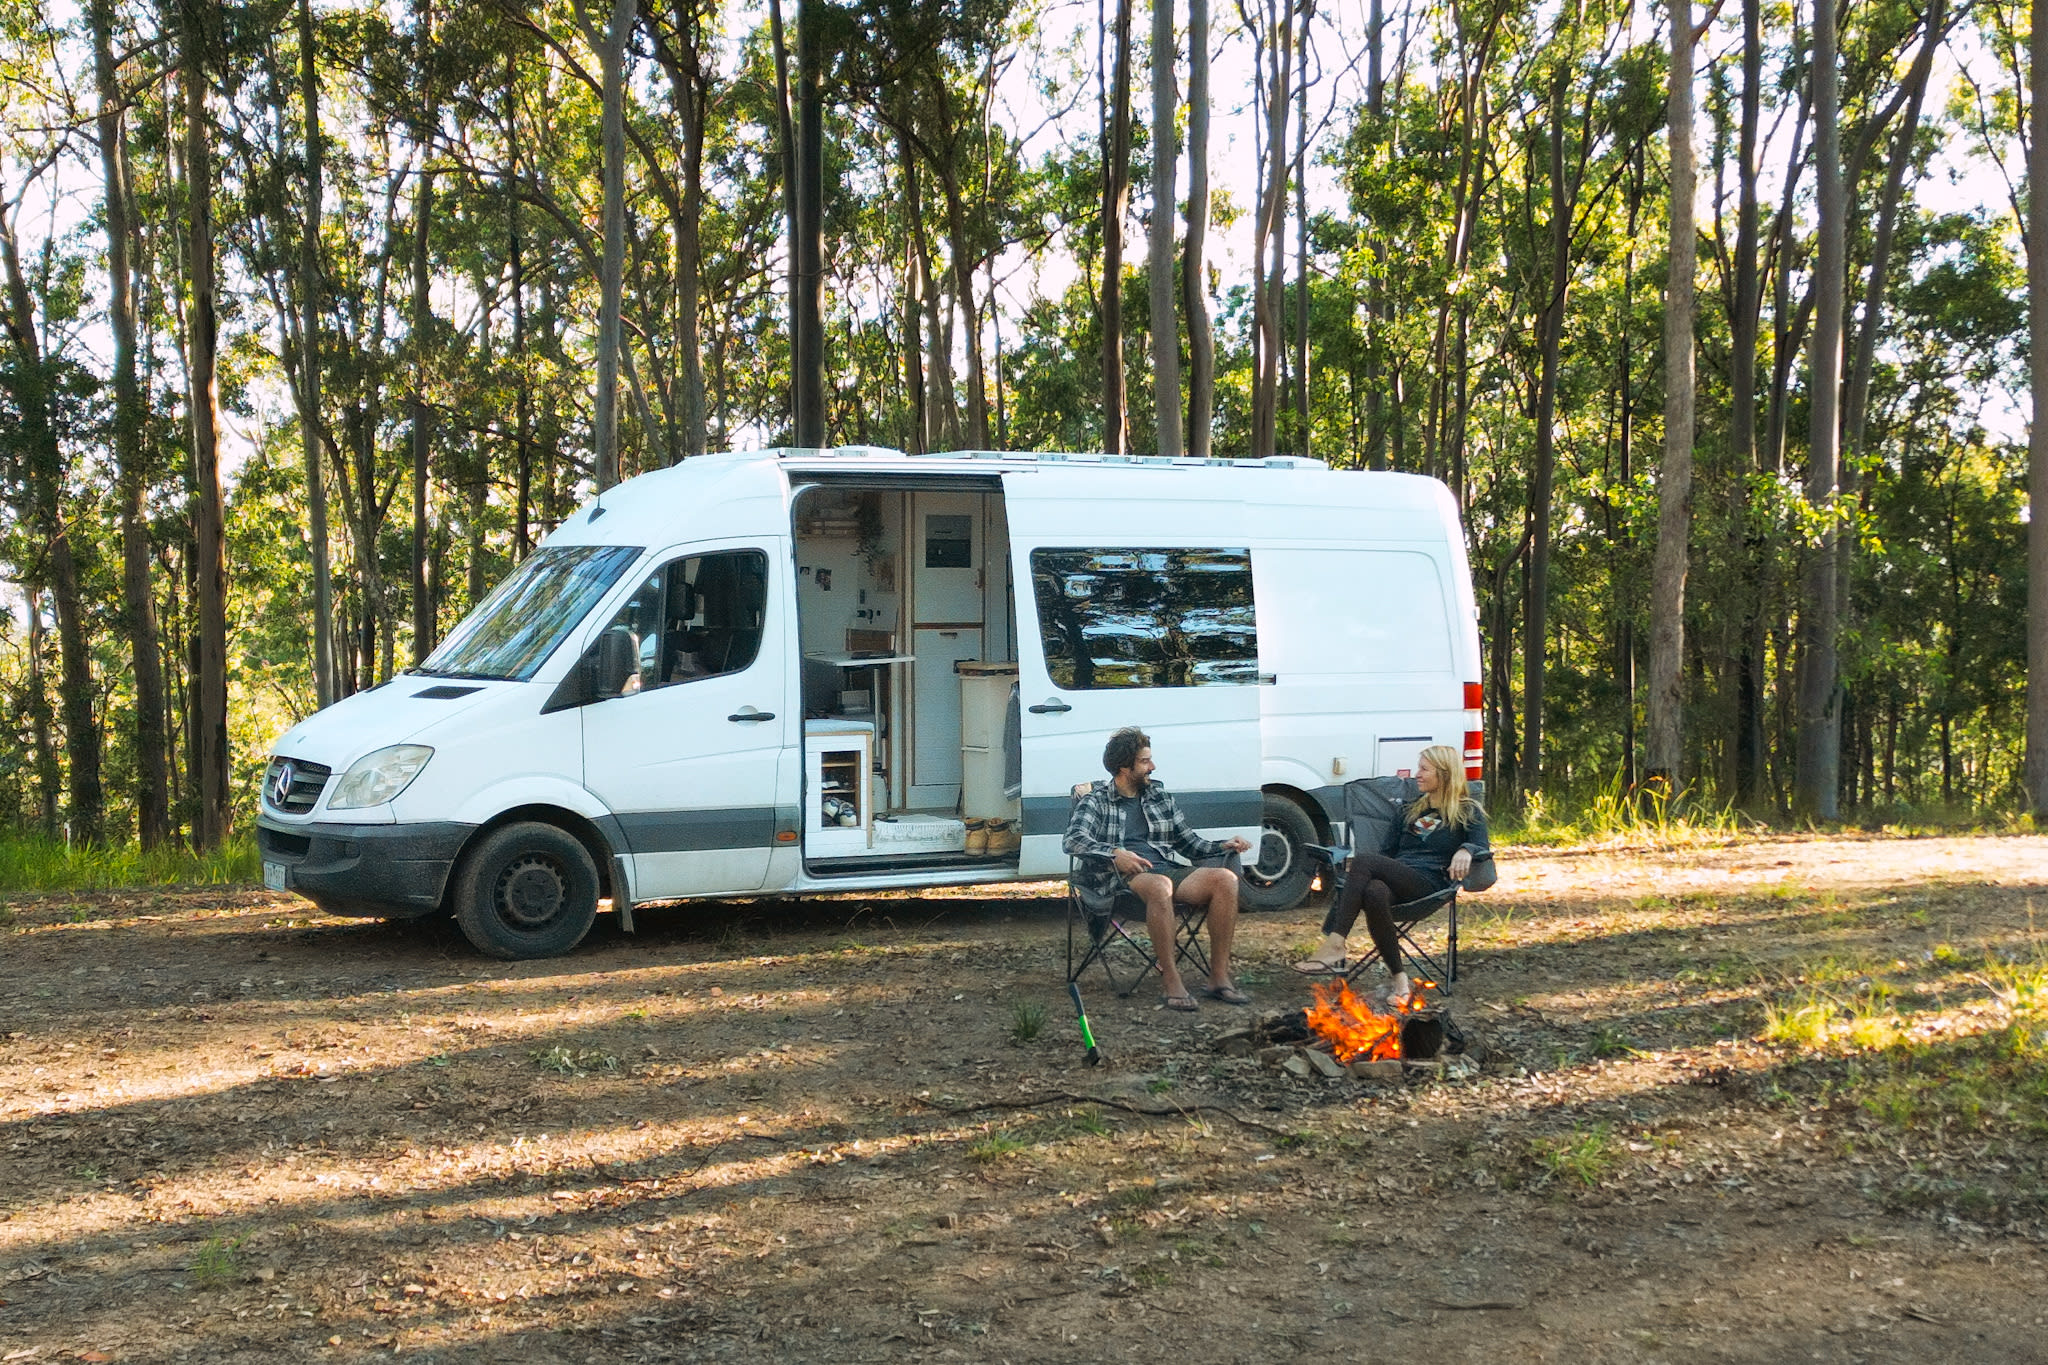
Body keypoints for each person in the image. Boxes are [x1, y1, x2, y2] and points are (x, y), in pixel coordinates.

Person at [1064, 726, 1254, 1011]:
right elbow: (1073, 840)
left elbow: (1189, 843)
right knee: (1159, 885)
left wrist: (1223, 845)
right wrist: (1115, 855)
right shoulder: (1096, 800)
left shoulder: (1159, 797)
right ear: (1123, 768)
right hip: (1116, 880)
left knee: (1225, 879)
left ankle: (1218, 977)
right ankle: (1171, 981)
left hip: (1164, 869)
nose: (1152, 766)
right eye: (1144, 761)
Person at [1293, 744, 1490, 1005]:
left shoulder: (1467, 811)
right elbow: (1387, 854)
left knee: (1364, 860)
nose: (1416, 774)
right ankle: (1401, 983)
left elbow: (1482, 847)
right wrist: (1370, 876)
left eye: (1424, 769)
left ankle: (1336, 940)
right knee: (1375, 891)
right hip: (1401, 878)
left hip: (1431, 884)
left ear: (1443, 774)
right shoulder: (1409, 810)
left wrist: (1466, 849)